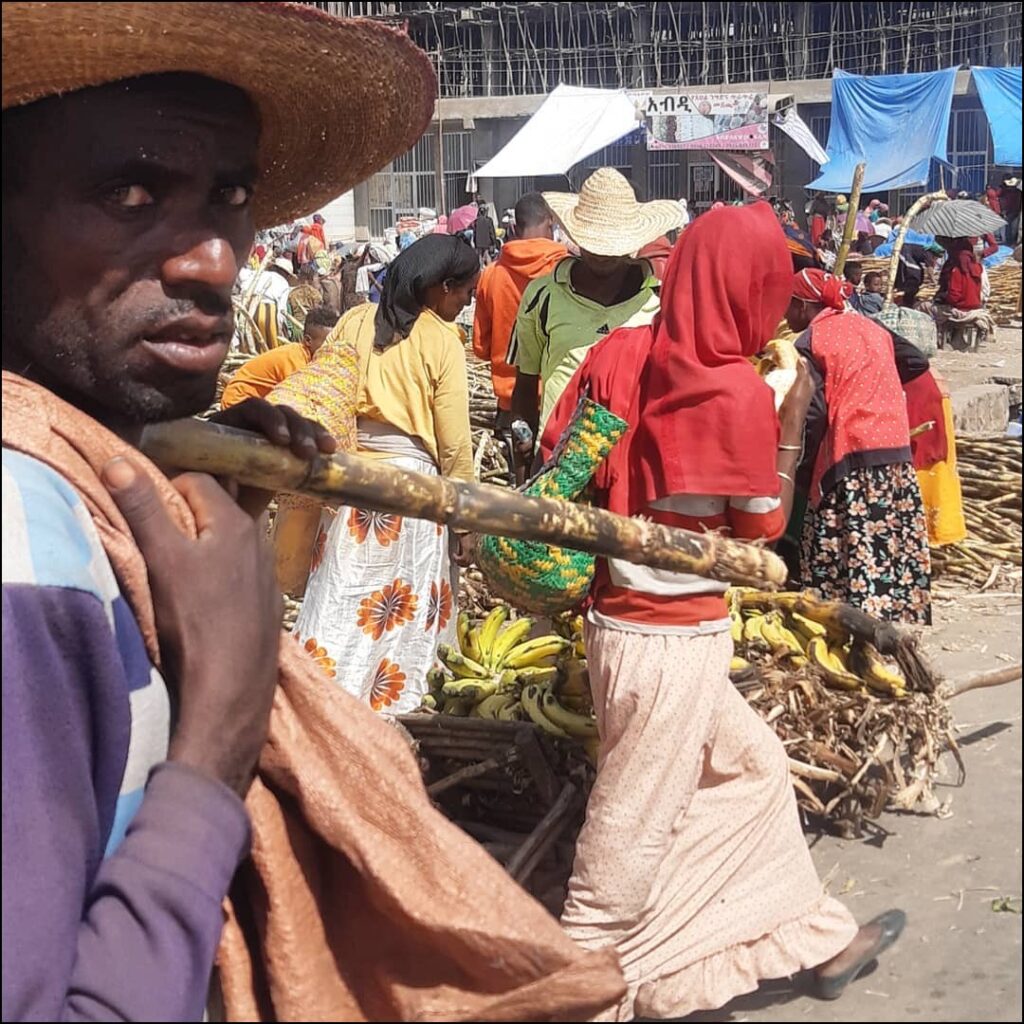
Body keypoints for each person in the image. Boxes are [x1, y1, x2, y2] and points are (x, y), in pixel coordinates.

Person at [0, 2, 441, 1016]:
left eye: (231, 196)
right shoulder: (20, 541)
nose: (211, 261)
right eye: (129, 192)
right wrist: (218, 743)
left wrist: (174, 457)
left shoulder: (75, 469)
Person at [539, 204, 905, 1022]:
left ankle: (809, 938)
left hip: (618, 624)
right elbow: (760, 529)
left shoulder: (616, 352)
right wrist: (787, 422)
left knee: (754, 772)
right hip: (674, 641)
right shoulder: (738, 391)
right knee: (630, 829)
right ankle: (580, 985)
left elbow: (560, 450)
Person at [281, 235, 478, 714]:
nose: (467, 302)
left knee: (344, 592)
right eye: (464, 292)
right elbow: (453, 443)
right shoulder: (440, 341)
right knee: (400, 607)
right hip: (413, 492)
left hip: (352, 479)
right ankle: (393, 706)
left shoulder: (353, 321)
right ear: (440, 287)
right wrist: (466, 517)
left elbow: (327, 392)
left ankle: (321, 699)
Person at [786, 269, 931, 624]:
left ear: (805, 306)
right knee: (886, 538)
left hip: (849, 447)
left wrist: (800, 464)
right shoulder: (870, 326)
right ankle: (892, 621)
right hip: (893, 443)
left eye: (789, 306)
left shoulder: (811, 339)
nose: (785, 315)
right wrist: (876, 386)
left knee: (846, 542)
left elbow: (814, 412)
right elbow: (916, 360)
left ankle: (854, 629)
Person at [508, 167, 681, 453]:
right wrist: (524, 449)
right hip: (555, 460)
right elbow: (526, 384)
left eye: (611, 245)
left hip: (631, 460)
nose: (602, 254)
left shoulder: (660, 302)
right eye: (594, 243)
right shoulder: (542, 296)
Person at [472, 192, 566, 427]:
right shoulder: (567, 271)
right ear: (550, 222)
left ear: (514, 226)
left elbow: (481, 348)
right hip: (557, 403)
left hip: (511, 405)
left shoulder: (491, 274)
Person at [221, 305, 336, 408]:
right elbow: (301, 399)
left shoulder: (310, 360)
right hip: (238, 404)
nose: (333, 347)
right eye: (328, 342)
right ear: (307, 340)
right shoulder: (295, 359)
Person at [935, 236, 984, 311]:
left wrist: (945, 297)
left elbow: (954, 296)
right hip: (976, 305)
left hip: (960, 307)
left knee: (924, 306)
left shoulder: (956, 270)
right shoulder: (978, 267)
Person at [998, 175, 1021, 245]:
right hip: (1011, 211)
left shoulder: (1017, 192)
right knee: (1010, 227)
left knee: (1012, 227)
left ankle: (1011, 241)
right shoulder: (1007, 192)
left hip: (1014, 211)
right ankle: (1010, 241)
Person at [472, 200, 497, 265]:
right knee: (487, 254)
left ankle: (481, 269)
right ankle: (489, 269)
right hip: (487, 240)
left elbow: (474, 232)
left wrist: (475, 242)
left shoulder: (476, 221)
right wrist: (494, 241)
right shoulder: (489, 220)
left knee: (479, 255)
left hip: (478, 241)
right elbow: (492, 232)